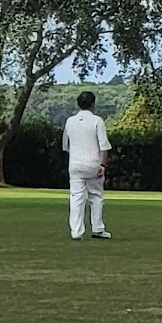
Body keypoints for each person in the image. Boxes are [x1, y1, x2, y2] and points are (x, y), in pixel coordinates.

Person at [62, 90, 112, 241]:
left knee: (76, 197)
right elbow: (104, 146)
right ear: (93, 104)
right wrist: (103, 165)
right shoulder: (97, 121)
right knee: (96, 196)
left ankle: (76, 231)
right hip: (93, 163)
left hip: (75, 164)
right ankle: (97, 228)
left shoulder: (70, 121)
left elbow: (66, 145)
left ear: (78, 104)